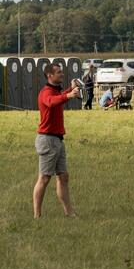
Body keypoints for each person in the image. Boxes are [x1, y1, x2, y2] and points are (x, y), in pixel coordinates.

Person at [33, 62, 81, 218]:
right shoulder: (46, 92)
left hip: (57, 140)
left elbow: (59, 98)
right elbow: (51, 102)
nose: (62, 74)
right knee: (44, 178)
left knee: (63, 177)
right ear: (49, 75)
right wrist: (69, 95)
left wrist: (70, 90)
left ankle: (69, 213)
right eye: (59, 72)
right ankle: (37, 216)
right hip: (48, 140)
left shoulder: (55, 91)